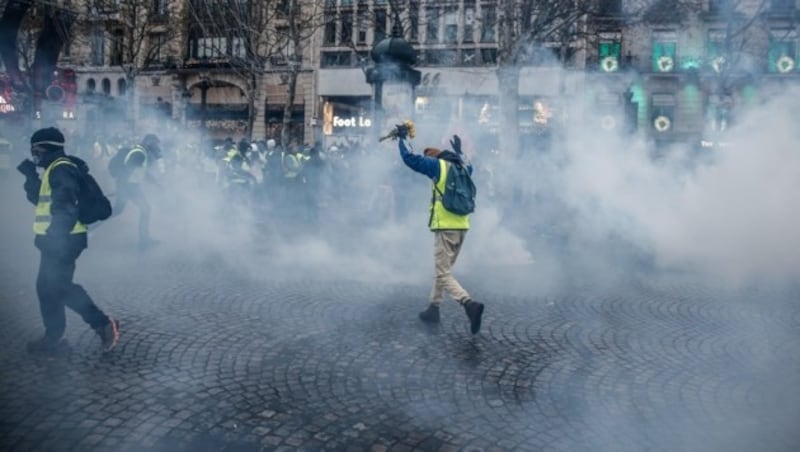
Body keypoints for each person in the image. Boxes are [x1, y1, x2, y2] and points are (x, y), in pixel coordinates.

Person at [16, 127, 119, 354]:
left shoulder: (61, 169)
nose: (33, 154)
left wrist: (54, 238)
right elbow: (42, 201)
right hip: (60, 238)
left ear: (42, 147)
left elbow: (64, 207)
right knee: (48, 287)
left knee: (57, 287)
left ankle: (101, 324)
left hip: (63, 239)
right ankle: (54, 337)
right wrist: (31, 177)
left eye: (35, 149)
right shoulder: (55, 168)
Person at [395, 124, 485, 334]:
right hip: (462, 226)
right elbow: (471, 165)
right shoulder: (461, 166)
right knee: (443, 270)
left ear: (434, 157)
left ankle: (469, 305)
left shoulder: (438, 166)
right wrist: (460, 153)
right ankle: (433, 308)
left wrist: (402, 139)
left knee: (443, 274)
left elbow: (411, 159)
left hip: (445, 227)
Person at [110, 133, 162, 250]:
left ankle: (91, 224)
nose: (157, 147)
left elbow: (141, 172)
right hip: (130, 186)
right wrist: (122, 188)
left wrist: (155, 182)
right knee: (145, 209)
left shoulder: (141, 152)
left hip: (129, 186)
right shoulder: (139, 153)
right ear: (150, 143)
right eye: (155, 144)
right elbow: (128, 170)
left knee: (117, 211)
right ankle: (144, 240)